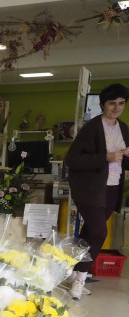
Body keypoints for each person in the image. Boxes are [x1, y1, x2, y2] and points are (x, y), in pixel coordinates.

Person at [63, 82, 129, 299]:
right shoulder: (92, 127)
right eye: (112, 103)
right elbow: (72, 159)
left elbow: (124, 162)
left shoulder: (124, 128)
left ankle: (72, 273)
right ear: (103, 105)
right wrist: (106, 157)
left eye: (121, 103)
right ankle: (81, 278)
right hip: (89, 189)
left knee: (90, 232)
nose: (117, 108)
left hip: (112, 187)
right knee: (100, 232)